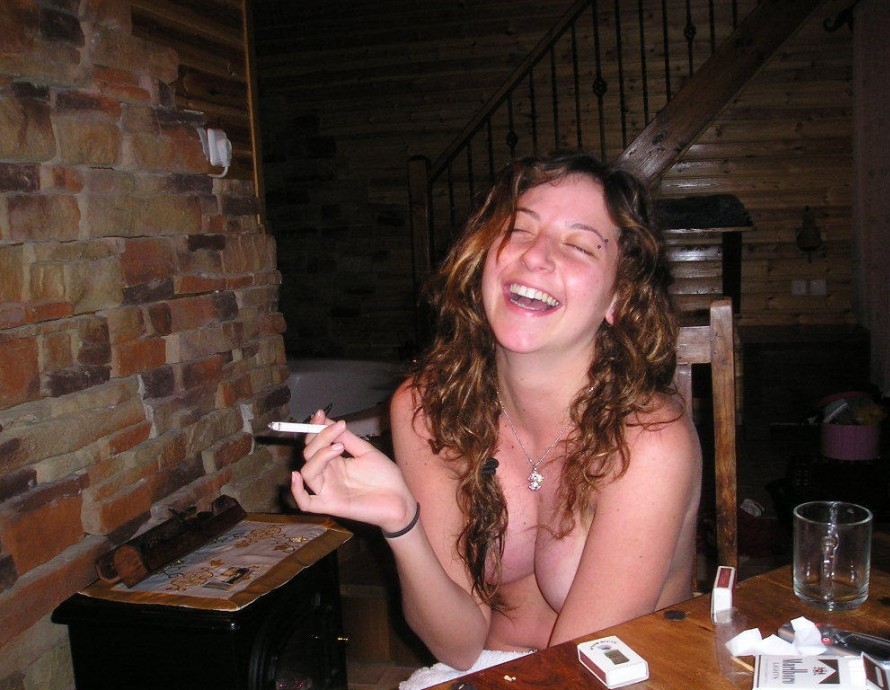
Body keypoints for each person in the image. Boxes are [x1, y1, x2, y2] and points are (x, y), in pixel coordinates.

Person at [290, 151, 702, 679]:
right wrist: (401, 522)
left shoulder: (647, 440)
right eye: (519, 230)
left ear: (618, 298)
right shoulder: (429, 407)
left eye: (579, 245)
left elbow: (579, 673)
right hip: (482, 671)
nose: (535, 257)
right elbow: (458, 648)